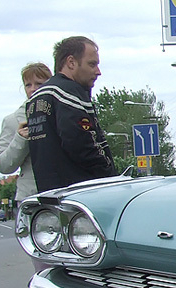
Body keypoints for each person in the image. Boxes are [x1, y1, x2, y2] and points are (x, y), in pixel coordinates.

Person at [26, 36, 115, 192]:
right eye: (92, 64)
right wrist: (110, 175)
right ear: (71, 62)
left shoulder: (36, 99)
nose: (98, 71)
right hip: (82, 191)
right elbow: (81, 143)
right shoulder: (68, 93)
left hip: (50, 193)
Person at [0, 62, 53, 202]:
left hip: (64, 193)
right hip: (31, 197)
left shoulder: (62, 114)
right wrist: (20, 139)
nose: (33, 89)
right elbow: (3, 165)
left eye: (39, 84)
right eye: (28, 85)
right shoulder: (13, 121)